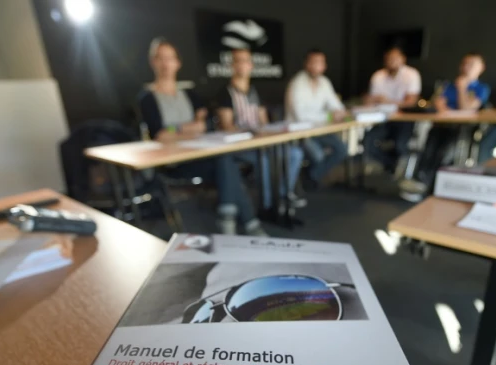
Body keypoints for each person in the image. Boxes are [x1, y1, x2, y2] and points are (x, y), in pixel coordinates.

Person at [138, 37, 266, 236]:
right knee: (228, 167)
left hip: (199, 155)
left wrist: (176, 129)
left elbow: (201, 122)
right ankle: (248, 224)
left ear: (177, 63)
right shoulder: (147, 98)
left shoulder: (188, 93)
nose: (165, 64)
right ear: (152, 62)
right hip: (174, 162)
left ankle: (229, 219)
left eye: (170, 58)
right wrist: (185, 128)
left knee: (225, 161)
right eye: (160, 58)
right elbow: (160, 135)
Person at [217, 48, 305, 213]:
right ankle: (267, 204)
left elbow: (264, 121)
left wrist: (268, 132)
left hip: (260, 141)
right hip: (239, 146)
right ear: (232, 65)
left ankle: (283, 195)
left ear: (251, 65)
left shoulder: (255, 91)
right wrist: (251, 132)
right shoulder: (225, 93)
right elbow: (227, 125)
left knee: (295, 153)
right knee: (264, 159)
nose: (243, 65)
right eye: (239, 61)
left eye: (246, 61)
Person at [400, 53, 490, 196]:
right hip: (441, 125)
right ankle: (421, 180)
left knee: (444, 151)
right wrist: (446, 107)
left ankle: (433, 185)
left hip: (463, 129)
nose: (466, 68)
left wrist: (461, 89)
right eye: (464, 64)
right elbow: (438, 103)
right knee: (428, 147)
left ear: (481, 68)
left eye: (471, 64)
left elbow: (468, 108)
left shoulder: (481, 88)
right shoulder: (448, 85)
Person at [285, 48, 348, 190]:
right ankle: (311, 177)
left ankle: (311, 175)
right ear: (306, 64)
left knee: (342, 149)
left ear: (324, 66)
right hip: (299, 132)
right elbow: (301, 116)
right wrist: (330, 116)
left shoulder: (325, 82)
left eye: (320, 63)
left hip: (320, 130)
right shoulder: (297, 83)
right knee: (318, 156)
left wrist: (339, 113)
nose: (316, 66)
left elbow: (337, 107)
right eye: (313, 62)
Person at [362, 46, 422, 174]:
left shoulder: (411, 74)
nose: (391, 61)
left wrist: (387, 101)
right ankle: (391, 164)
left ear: (403, 59)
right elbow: (371, 100)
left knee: (401, 145)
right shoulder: (378, 76)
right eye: (389, 59)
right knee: (368, 141)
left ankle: (401, 171)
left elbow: (411, 102)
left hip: (404, 120)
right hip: (383, 119)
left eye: (395, 58)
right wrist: (369, 100)